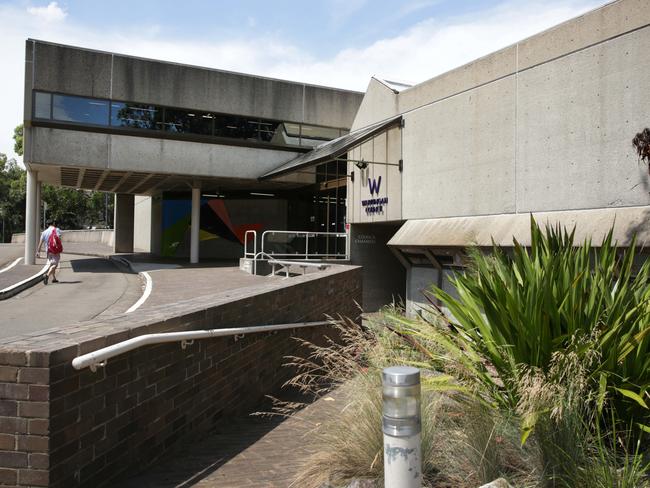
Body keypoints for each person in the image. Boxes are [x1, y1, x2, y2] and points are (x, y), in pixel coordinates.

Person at [36, 220, 63, 285]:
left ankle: (54, 278)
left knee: (51, 263)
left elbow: (40, 243)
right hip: (55, 250)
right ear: (53, 223)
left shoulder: (44, 232)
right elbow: (59, 239)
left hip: (48, 250)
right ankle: (47, 275)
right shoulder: (57, 229)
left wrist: (38, 251)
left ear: (47, 225)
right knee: (55, 264)